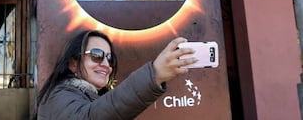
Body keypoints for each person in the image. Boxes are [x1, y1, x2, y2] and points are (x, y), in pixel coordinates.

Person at [34, 30, 197, 119]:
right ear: (73, 63)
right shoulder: (58, 96)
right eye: (96, 55)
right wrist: (154, 74)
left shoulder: (91, 96)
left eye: (109, 58)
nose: (106, 64)